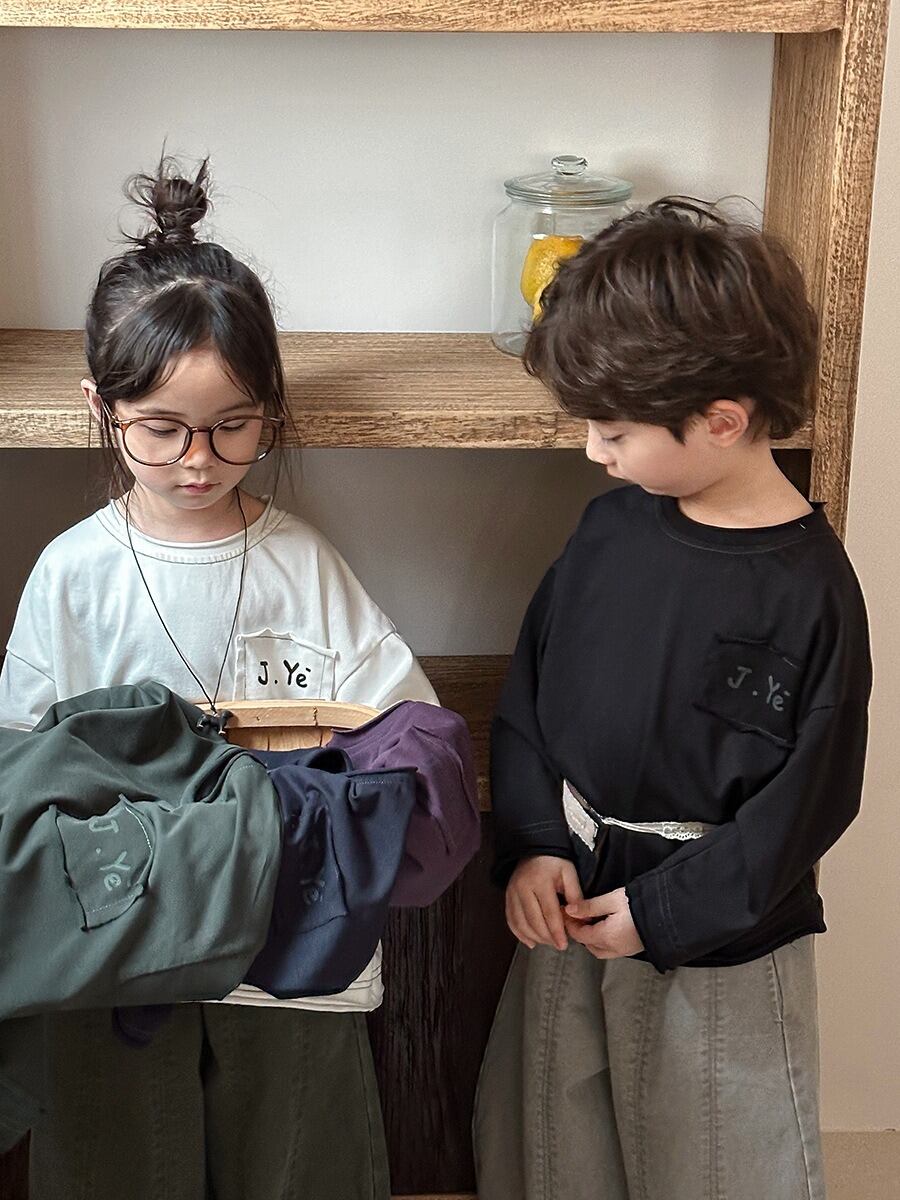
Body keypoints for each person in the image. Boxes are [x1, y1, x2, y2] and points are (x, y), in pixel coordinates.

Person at [0, 155, 437, 1200]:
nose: (198, 458)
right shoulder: (74, 574)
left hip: (287, 959)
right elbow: (21, 777)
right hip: (118, 956)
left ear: (268, 409)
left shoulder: (303, 564)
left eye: (234, 425)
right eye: (161, 429)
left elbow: (406, 734)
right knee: (115, 1167)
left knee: (298, 1168)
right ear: (101, 408)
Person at [473, 198, 871, 1200]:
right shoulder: (608, 532)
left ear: (722, 420)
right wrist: (533, 844)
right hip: (570, 903)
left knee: (718, 1162)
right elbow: (529, 697)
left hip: (719, 939)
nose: (592, 451)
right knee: (558, 1152)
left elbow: (812, 800)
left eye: (611, 431)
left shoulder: (810, 592)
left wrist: (662, 912)